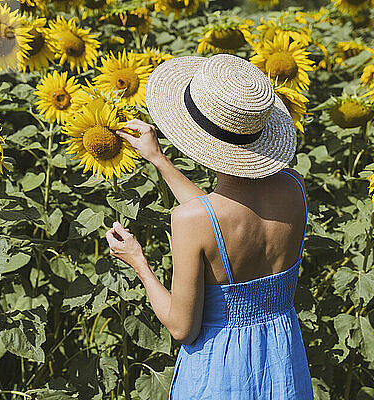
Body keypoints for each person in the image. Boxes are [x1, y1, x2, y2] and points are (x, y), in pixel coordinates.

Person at [104, 54, 314, 399]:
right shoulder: (295, 187)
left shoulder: (191, 221)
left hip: (220, 369)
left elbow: (182, 328)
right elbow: (223, 212)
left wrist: (138, 261)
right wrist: (159, 159)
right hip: (282, 360)